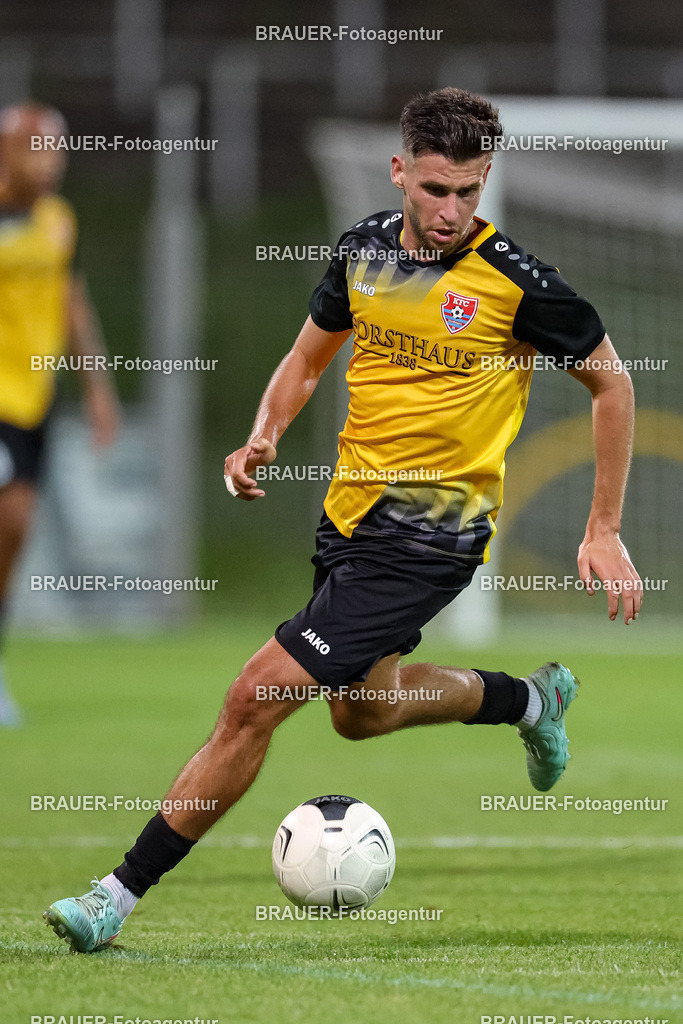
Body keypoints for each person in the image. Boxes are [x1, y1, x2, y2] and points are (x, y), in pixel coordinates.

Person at [44, 87, 641, 952]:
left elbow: (611, 381)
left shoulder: (514, 283)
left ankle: (115, 895)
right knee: (362, 712)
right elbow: (306, 354)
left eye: (469, 191)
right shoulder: (363, 250)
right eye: (435, 189)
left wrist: (602, 527)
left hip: (431, 538)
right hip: (348, 520)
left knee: (255, 697)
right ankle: (530, 699)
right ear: (400, 171)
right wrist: (263, 433)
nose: (450, 210)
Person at [0, 103, 120, 725]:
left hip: (33, 401)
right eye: (35, 150)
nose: (48, 163)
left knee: (13, 534)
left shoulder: (57, 221)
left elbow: (71, 302)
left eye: (57, 151)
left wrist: (97, 388)